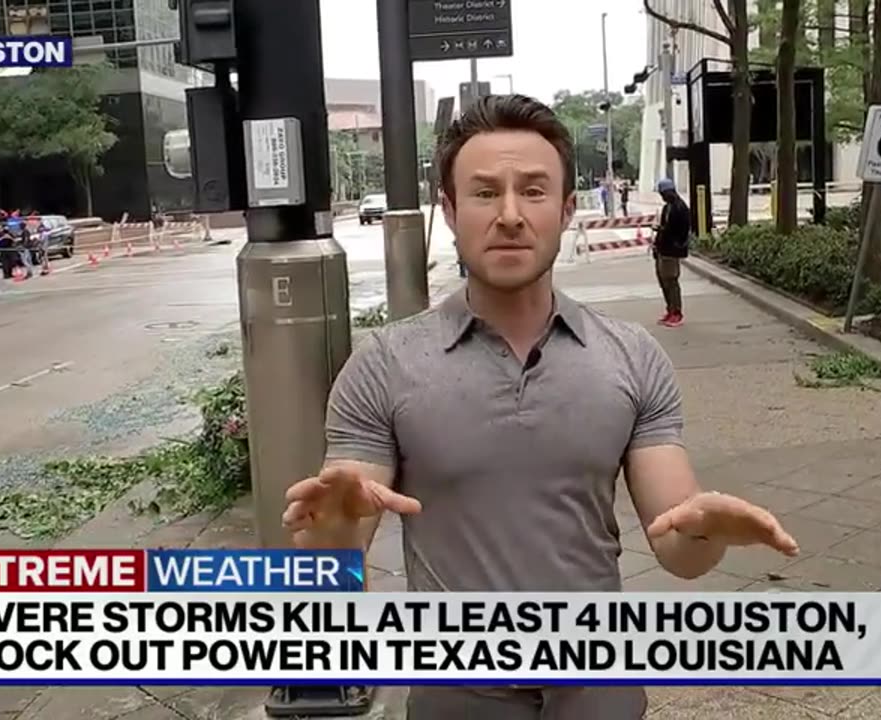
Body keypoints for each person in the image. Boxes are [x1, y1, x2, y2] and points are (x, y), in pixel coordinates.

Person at [281, 95, 798, 720]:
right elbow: (330, 576)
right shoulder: (385, 365)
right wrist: (331, 528)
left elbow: (679, 548)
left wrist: (712, 528)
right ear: (448, 211)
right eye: (482, 193)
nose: (509, 216)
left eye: (532, 191)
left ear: (566, 209)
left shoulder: (631, 357)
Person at [652, 178, 690, 327]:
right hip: (663, 249)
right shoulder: (667, 208)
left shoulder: (680, 208)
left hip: (672, 250)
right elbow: (664, 227)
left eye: (663, 193)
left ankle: (677, 312)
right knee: (663, 281)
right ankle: (670, 309)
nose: (662, 196)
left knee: (671, 281)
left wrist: (675, 243)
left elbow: (681, 231)